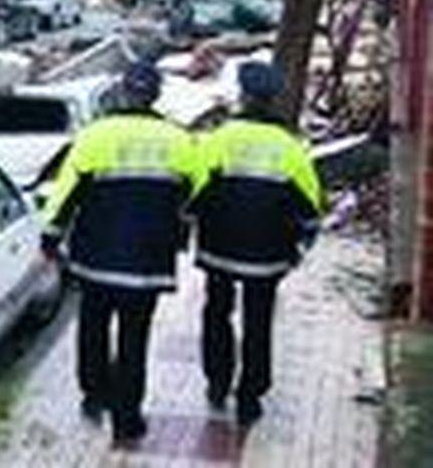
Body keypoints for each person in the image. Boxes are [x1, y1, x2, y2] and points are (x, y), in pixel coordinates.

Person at [42, 60, 204, 444]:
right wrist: (179, 229)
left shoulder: (95, 135)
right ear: (156, 95)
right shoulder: (179, 140)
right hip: (148, 262)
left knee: (93, 328)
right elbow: (199, 195)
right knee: (135, 338)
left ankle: (94, 394)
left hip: (96, 258)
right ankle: (127, 419)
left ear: (123, 92)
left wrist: (50, 237)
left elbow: (65, 194)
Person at [191, 60, 324, 427]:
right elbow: (310, 207)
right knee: (258, 320)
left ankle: (218, 382)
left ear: (243, 97)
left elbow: (194, 195)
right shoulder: (290, 147)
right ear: (271, 102)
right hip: (267, 254)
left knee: (217, 312)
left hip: (218, 249)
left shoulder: (218, 140)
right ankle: (250, 395)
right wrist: (300, 245)